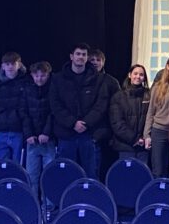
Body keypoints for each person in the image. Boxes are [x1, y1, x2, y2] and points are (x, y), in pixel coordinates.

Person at [51, 43, 109, 180]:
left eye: (84, 54)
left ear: (87, 58)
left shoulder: (98, 79)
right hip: (66, 134)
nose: (81, 57)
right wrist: (72, 123)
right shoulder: (58, 78)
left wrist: (85, 123)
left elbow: (100, 105)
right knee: (65, 175)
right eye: (78, 54)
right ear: (71, 56)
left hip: (88, 134)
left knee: (90, 174)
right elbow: (55, 105)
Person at [141, 54, 169, 178]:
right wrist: (147, 135)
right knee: (158, 170)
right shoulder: (158, 87)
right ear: (168, 66)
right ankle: (158, 191)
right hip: (159, 131)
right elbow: (151, 112)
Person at [22, 61, 55, 201]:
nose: (39, 79)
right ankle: (33, 203)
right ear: (32, 75)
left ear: (48, 75)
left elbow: (53, 113)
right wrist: (29, 134)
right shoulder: (27, 90)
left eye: (43, 76)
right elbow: (24, 113)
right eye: (36, 76)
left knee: (49, 174)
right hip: (32, 140)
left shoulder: (53, 89)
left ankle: (49, 204)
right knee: (31, 175)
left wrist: (46, 132)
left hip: (49, 140)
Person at [88, 49, 121, 179]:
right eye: (92, 60)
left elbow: (117, 107)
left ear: (103, 62)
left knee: (102, 167)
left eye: (98, 60)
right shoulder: (82, 80)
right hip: (86, 129)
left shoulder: (111, 82)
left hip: (106, 130)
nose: (95, 62)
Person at [0, 51, 28, 163]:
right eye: (7, 64)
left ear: (19, 65)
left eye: (13, 63)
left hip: (19, 130)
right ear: (2, 66)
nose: (10, 67)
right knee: (0, 164)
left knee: (18, 164)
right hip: (1, 129)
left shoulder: (26, 82)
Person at [109, 64, 150, 164]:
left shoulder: (149, 95)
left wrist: (146, 138)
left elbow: (152, 118)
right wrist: (135, 139)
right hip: (125, 146)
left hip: (143, 147)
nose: (138, 77)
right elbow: (117, 123)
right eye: (135, 73)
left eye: (141, 74)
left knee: (142, 173)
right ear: (129, 75)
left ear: (144, 78)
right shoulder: (118, 96)